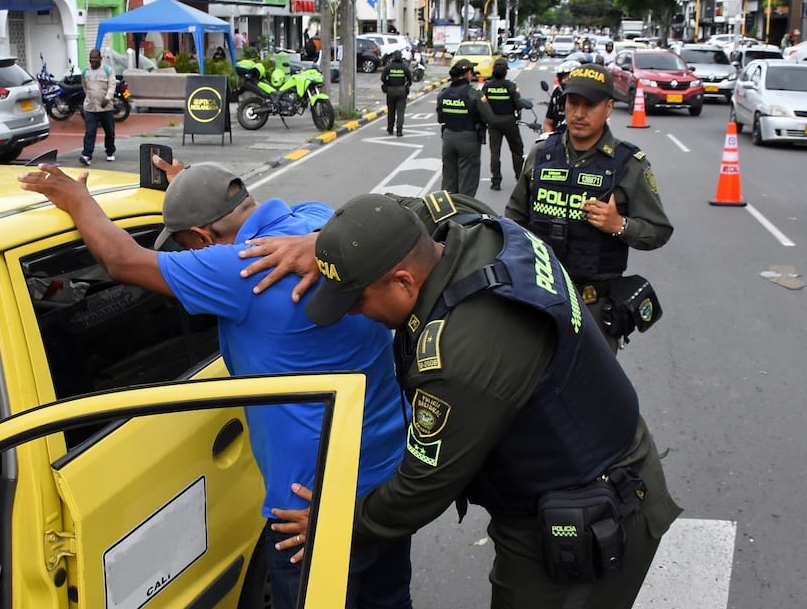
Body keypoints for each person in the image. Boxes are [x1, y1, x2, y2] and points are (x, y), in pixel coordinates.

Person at [18, 161, 412, 609]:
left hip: (310, 505)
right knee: (390, 599)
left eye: (188, 247)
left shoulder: (242, 268)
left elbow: (122, 260)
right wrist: (193, 186)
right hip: (386, 472)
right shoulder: (316, 222)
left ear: (203, 239)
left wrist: (77, 200)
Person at [267, 192, 681, 609]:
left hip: (591, 511)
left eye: (356, 299)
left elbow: (421, 487)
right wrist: (325, 245)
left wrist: (335, 523)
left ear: (404, 281)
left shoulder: (461, 357)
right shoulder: (475, 227)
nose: (354, 312)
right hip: (572, 469)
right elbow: (404, 210)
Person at [505, 63, 673, 353]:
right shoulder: (542, 153)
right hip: (538, 301)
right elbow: (513, 219)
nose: (579, 114)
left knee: (589, 394)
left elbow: (658, 230)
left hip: (593, 309)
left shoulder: (629, 164)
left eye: (590, 105)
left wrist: (619, 225)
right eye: (573, 103)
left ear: (608, 108)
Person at [437, 58, 491, 197]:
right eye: (471, 71)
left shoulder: (444, 93)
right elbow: (489, 117)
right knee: (467, 183)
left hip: (448, 138)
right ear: (467, 73)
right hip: (468, 139)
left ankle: (446, 215)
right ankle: (464, 215)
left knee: (448, 182)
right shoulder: (473, 93)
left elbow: (440, 118)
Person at [481, 58, 526, 191]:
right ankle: (519, 179)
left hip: (493, 122)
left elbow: (483, 104)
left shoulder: (487, 86)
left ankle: (496, 182)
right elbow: (518, 104)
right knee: (517, 150)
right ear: (506, 72)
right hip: (509, 121)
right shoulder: (511, 86)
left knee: (495, 152)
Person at [80, 48, 117, 164]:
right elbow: (85, 87)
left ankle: (110, 151)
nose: (93, 60)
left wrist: (107, 97)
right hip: (91, 107)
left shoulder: (107, 70)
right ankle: (87, 155)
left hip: (106, 107)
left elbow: (112, 85)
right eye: (91, 58)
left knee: (109, 131)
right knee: (90, 132)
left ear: (100, 58)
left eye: (95, 58)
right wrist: (90, 98)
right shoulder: (85, 71)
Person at [542, 60, 580, 134]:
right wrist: (549, 138)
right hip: (558, 138)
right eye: (566, 78)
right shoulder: (557, 94)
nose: (568, 81)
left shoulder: (588, 96)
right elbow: (548, 123)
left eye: (572, 78)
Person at [380, 51, 412, 137]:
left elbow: (383, 78)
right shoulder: (404, 67)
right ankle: (399, 130)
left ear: (393, 57)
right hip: (402, 91)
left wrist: (387, 83)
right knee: (400, 112)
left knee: (391, 111)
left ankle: (390, 128)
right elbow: (410, 78)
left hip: (390, 91)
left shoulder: (389, 67)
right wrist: (407, 85)